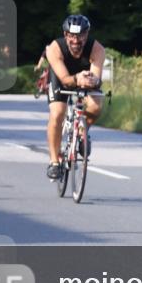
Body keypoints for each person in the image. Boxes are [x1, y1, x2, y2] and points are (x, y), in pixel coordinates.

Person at [44, 15, 105, 179]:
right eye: (72, 36)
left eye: (80, 36)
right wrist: (77, 78)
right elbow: (65, 80)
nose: (76, 41)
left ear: (87, 34)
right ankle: (54, 161)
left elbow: (97, 78)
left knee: (96, 106)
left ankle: (82, 131)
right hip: (61, 78)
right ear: (65, 35)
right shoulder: (54, 49)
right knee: (57, 113)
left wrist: (93, 80)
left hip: (84, 78)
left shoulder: (97, 49)